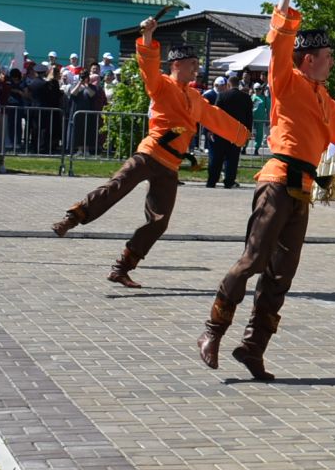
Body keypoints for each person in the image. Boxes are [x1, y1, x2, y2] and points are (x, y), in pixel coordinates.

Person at [202, 0, 335, 381]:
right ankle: (213, 330)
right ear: (309, 58)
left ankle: (252, 348)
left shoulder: (325, 101)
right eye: (328, 55)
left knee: (281, 275)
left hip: (303, 191)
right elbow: (280, 45)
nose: (332, 60)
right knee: (254, 260)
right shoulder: (287, 82)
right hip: (276, 182)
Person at [51, 20, 251, 287]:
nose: (197, 68)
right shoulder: (161, 85)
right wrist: (147, 35)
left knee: (159, 221)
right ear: (177, 65)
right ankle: (72, 218)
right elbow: (148, 66)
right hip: (150, 152)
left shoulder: (195, 98)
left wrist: (243, 136)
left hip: (170, 165)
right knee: (117, 186)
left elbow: (217, 119)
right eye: (193, 63)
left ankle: (122, 267)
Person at [207, 74, 256, 189]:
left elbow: (216, 114)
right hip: (237, 133)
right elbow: (249, 117)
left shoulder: (222, 96)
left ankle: (212, 181)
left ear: (228, 84)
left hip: (222, 131)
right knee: (232, 158)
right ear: (238, 84)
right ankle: (229, 181)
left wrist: (211, 130)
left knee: (217, 158)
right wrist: (248, 132)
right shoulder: (246, 98)